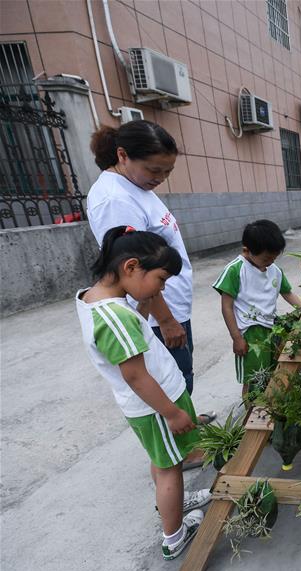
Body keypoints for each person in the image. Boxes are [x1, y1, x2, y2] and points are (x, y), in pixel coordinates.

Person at [76, 227, 211, 559]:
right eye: (161, 279)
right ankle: (175, 536)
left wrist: (146, 303)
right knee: (169, 467)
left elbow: (134, 332)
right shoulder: (114, 317)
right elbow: (136, 376)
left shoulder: (96, 298)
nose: (161, 288)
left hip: (152, 403)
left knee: (162, 459)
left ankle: (176, 505)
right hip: (155, 405)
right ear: (131, 267)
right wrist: (172, 412)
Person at [86, 121, 214, 424]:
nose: (161, 178)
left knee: (180, 375)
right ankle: (183, 443)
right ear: (122, 155)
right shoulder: (115, 200)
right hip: (156, 313)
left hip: (170, 306)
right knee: (170, 377)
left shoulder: (136, 184)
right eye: (155, 170)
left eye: (167, 172)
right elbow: (135, 272)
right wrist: (166, 320)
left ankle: (188, 422)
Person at [213, 220, 301, 400]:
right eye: (266, 259)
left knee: (273, 373)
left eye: (274, 258)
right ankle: (252, 414)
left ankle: (271, 408)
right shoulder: (235, 270)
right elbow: (227, 307)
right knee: (254, 379)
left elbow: (287, 293)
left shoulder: (275, 270)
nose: (270, 263)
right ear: (246, 250)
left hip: (272, 330)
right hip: (249, 334)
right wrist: (236, 338)